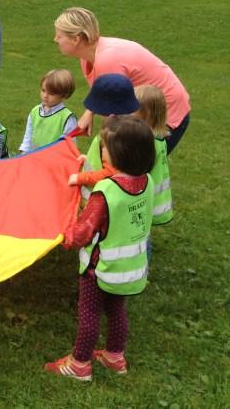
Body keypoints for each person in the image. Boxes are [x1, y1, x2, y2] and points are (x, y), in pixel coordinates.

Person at [45, 116, 155, 381]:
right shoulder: (147, 182)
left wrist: (64, 237)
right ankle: (115, 357)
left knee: (89, 313)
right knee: (117, 311)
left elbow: (83, 232)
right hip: (130, 268)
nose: (101, 150)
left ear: (119, 154)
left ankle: (79, 364)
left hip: (100, 270)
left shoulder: (106, 191)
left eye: (104, 147)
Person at [53, 7, 190, 154]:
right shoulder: (88, 56)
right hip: (143, 110)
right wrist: (89, 113)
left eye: (59, 36)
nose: (55, 40)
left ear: (75, 39)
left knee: (136, 168)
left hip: (164, 114)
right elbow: (105, 90)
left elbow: (117, 116)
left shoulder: (107, 60)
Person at [67, 74, 140, 203]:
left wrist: (80, 178)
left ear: (110, 114)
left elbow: (109, 173)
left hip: (100, 199)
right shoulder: (129, 131)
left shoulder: (113, 137)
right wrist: (89, 160)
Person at [133, 85, 173, 225]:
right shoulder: (158, 138)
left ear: (146, 113)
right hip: (154, 199)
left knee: (142, 230)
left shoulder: (146, 143)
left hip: (146, 200)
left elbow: (134, 172)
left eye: (133, 106)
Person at [19, 69, 78, 153]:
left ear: (64, 95)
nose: (45, 96)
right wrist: (24, 152)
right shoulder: (35, 111)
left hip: (53, 162)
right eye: (43, 90)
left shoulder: (67, 118)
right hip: (33, 158)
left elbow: (70, 145)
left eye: (51, 93)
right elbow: (28, 135)